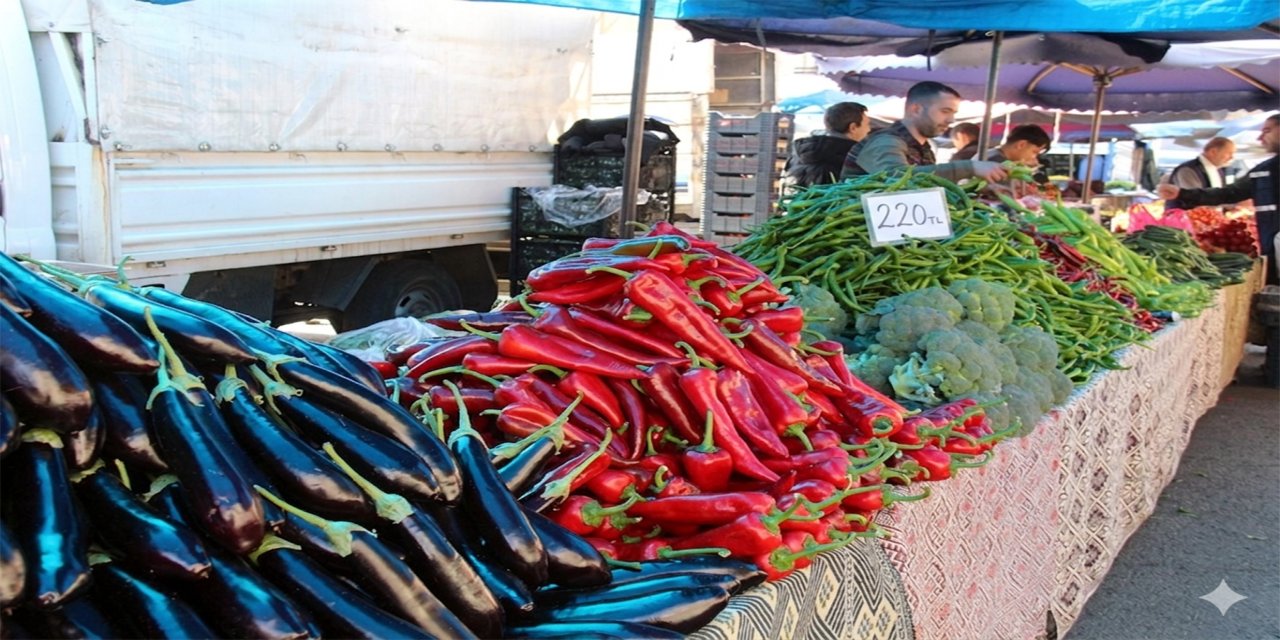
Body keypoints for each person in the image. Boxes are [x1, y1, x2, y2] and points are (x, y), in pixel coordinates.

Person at [1157, 114, 1278, 285]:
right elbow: (1227, 194)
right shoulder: (1263, 170)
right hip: (1271, 249)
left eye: (1267, 130)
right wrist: (1181, 193)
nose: (1260, 137)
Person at [840, 81, 1008, 183]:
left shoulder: (924, 149)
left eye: (953, 113)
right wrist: (970, 167)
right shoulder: (886, 141)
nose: (951, 120)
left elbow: (925, 185)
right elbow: (895, 178)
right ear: (916, 109)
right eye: (945, 111)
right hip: (857, 234)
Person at [785, 102, 871, 187]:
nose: (869, 130)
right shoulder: (856, 160)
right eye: (867, 124)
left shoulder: (802, 153)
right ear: (853, 127)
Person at [1164, 137, 1236, 208]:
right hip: (1184, 218)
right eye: (1229, 153)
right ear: (1213, 152)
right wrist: (1234, 204)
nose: (1231, 157)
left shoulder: (1219, 171)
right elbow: (1196, 199)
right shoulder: (1188, 170)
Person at [984, 124, 1051, 166]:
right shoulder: (997, 161)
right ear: (1021, 144)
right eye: (1034, 152)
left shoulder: (992, 154)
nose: (1034, 157)